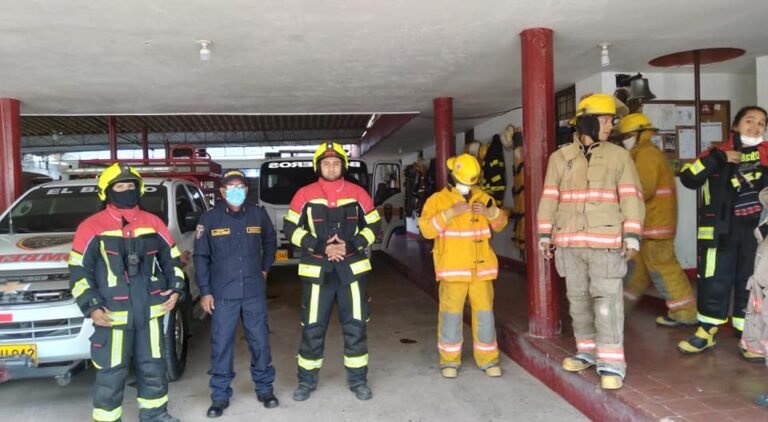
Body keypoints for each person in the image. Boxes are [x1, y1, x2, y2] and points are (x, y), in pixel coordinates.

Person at [536, 93, 645, 390]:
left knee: (607, 301)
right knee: (578, 300)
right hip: (570, 243)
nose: (611, 125)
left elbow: (631, 198)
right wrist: (545, 235)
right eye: (605, 119)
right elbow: (549, 198)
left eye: (612, 120)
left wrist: (632, 236)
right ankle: (587, 351)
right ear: (586, 122)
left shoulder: (619, 156)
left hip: (606, 242)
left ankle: (611, 362)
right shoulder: (560, 158)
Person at [69, 163, 185, 422]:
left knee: (153, 366)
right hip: (112, 316)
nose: (126, 191)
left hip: (151, 312)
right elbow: (78, 272)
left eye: (131, 186)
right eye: (120, 187)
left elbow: (173, 260)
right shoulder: (91, 227)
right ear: (107, 192)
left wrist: (176, 289)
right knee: (112, 372)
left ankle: (155, 414)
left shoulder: (153, 222)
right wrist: (92, 306)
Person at [283, 142, 381, 402]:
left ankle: (359, 380)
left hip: (352, 271)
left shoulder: (358, 193)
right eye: (326, 163)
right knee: (312, 328)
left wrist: (350, 245)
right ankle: (306, 382)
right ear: (318, 166)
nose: (331, 167)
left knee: (356, 327)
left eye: (336, 163)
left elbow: (374, 226)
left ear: (343, 166)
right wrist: (320, 246)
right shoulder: (304, 194)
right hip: (317, 273)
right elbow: (290, 229)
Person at [677, 106, 768, 356]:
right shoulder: (716, 153)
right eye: (749, 121)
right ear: (736, 125)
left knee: (752, 284)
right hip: (720, 232)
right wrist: (719, 159)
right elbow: (688, 178)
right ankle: (706, 332)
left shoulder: (766, 154)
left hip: (756, 234)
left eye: (761, 123)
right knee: (713, 280)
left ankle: (749, 336)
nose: (755, 126)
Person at [194, 169, 279, 417]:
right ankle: (220, 396)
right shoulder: (209, 219)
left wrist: (265, 268)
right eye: (230, 186)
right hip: (223, 294)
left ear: (246, 190)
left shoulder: (257, 214)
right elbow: (201, 257)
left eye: (240, 186)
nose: (236, 190)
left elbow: (271, 240)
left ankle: (265, 389)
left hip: (253, 291)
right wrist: (205, 292)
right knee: (221, 345)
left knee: (260, 342)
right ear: (221, 191)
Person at [417, 153, 507, 378]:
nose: (468, 187)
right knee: (450, 317)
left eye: (471, 182)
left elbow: (500, 224)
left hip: (481, 270)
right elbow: (427, 229)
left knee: (485, 317)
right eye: (465, 182)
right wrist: (449, 214)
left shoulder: (484, 198)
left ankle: (488, 360)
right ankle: (449, 361)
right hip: (453, 270)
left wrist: (490, 212)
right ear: (453, 178)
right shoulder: (437, 200)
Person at [617, 113, 697, 326]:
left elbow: (643, 188)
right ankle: (618, 311)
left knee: (664, 269)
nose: (625, 138)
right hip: (648, 227)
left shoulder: (646, 155)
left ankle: (685, 314)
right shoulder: (640, 154)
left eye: (628, 134)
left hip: (655, 227)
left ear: (641, 134)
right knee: (636, 273)